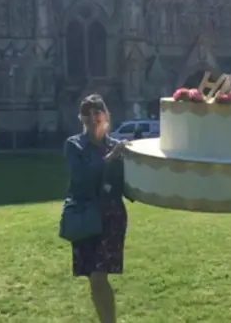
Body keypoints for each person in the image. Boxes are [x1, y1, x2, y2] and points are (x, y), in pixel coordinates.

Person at [64, 94, 130, 323]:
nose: (93, 117)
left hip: (111, 218)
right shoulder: (74, 145)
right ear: (81, 118)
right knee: (94, 278)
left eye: (97, 112)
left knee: (98, 275)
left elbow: (128, 184)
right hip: (85, 216)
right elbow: (82, 177)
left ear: (106, 116)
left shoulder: (117, 146)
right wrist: (112, 157)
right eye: (87, 113)